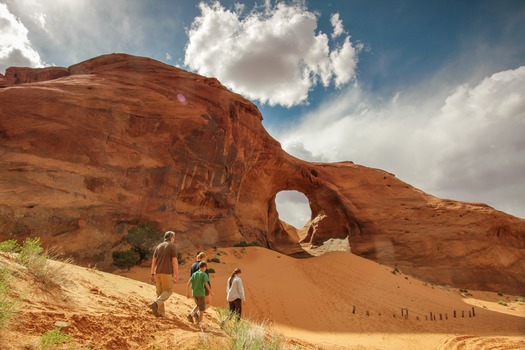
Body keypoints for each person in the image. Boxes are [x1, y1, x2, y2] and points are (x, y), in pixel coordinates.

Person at [148, 230, 179, 318]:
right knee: (168, 290)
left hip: (157, 272)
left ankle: (161, 313)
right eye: (173, 237)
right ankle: (156, 304)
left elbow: (153, 262)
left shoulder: (158, 246)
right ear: (171, 237)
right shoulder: (172, 246)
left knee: (160, 292)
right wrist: (177, 275)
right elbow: (174, 261)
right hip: (167, 272)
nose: (174, 239)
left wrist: (152, 274)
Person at [186, 261, 214, 330]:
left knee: (198, 305)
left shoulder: (194, 274)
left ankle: (191, 314)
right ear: (204, 267)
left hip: (194, 293)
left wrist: (187, 293)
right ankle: (200, 324)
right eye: (206, 268)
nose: (205, 269)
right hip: (201, 293)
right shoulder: (204, 274)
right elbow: (206, 284)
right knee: (202, 309)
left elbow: (188, 284)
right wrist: (210, 292)